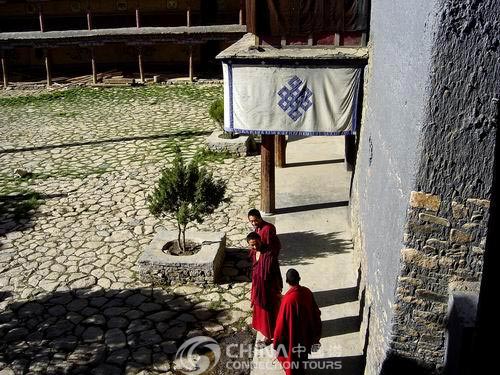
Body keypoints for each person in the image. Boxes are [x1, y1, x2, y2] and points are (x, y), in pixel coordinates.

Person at [273, 269, 322, 375]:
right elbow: (315, 312)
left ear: (287, 281)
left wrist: (277, 340)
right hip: (305, 333)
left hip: (293, 335)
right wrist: (316, 333)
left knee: (292, 359)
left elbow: (281, 324)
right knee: (302, 354)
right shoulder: (307, 292)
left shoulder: (287, 300)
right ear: (299, 279)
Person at [246, 231, 283, 348]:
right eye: (252, 245)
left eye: (256, 243)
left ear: (260, 240)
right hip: (258, 289)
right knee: (260, 312)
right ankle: (264, 331)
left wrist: (278, 287)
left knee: (268, 314)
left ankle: (268, 337)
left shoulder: (269, 254)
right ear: (249, 245)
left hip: (268, 290)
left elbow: (276, 271)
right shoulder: (253, 253)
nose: (255, 247)